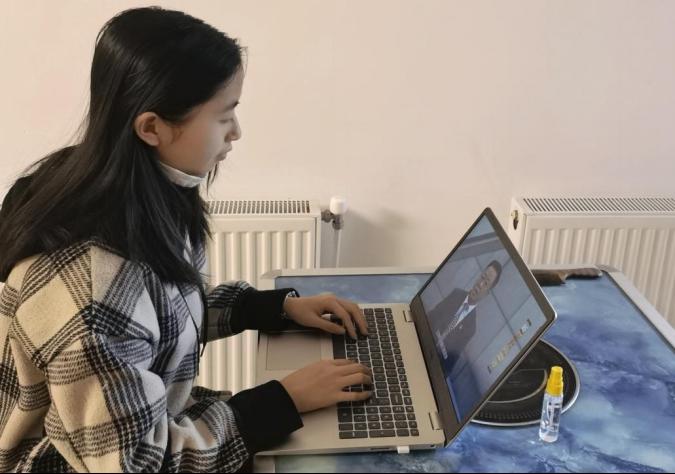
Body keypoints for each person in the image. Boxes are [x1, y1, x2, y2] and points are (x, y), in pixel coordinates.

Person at [0, 7, 371, 472]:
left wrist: (271, 309)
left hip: (132, 431)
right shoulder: (91, 287)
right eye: (224, 115)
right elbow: (137, 463)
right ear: (151, 127)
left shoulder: (144, 193)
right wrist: (283, 400)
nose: (236, 132)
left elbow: (154, 319)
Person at [434, 260, 502, 372]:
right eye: (482, 277)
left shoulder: (471, 328)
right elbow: (433, 315)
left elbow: (450, 361)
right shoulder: (456, 294)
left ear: (487, 293)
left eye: (486, 283)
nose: (480, 284)